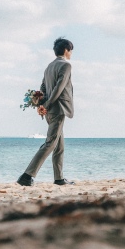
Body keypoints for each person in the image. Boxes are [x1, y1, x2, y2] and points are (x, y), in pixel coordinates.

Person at [17, 38, 75, 186]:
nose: (71, 53)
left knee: (59, 146)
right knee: (50, 143)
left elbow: (42, 87)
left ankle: (59, 178)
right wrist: (47, 105)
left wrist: (41, 104)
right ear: (66, 50)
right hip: (58, 109)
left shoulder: (49, 66)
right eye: (71, 50)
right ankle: (27, 176)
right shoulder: (66, 65)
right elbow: (59, 88)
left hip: (49, 110)